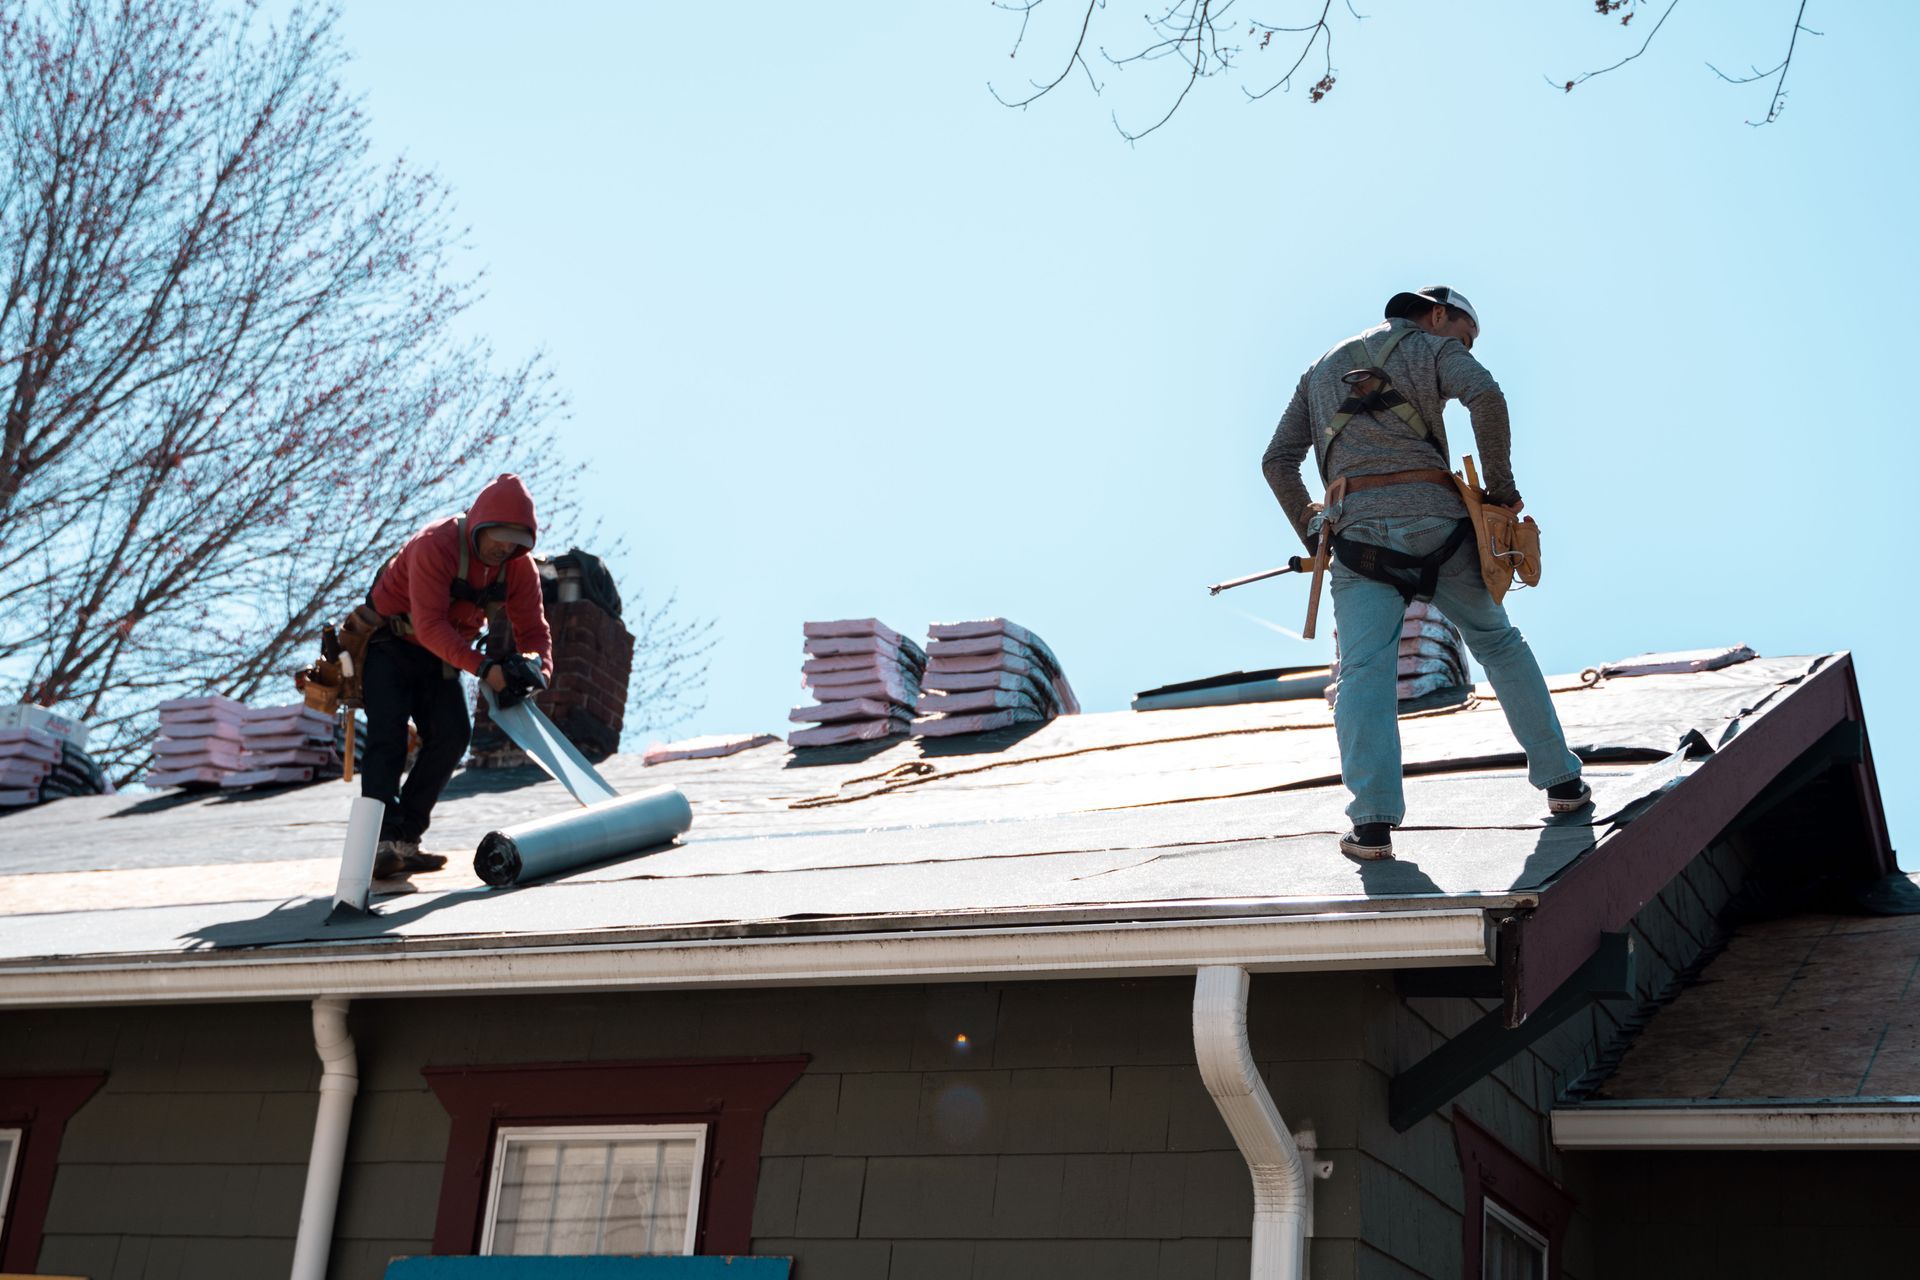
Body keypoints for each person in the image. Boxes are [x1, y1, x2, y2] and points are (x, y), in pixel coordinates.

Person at [1261, 286, 1588, 861]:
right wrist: (1501, 491)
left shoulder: (1319, 369)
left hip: (1358, 538)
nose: (1465, 346)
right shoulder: (1430, 349)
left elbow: (1276, 460)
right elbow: (1485, 396)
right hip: (1441, 526)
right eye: (1466, 335)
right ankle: (1561, 782)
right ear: (1438, 315)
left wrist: (1312, 534)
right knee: (1498, 643)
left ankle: (1371, 826)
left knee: (1363, 673)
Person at [358, 472, 553, 879]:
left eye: (514, 542)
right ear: (477, 525)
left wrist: (539, 671)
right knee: (387, 736)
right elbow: (428, 626)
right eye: (497, 537)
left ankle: (403, 842)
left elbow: (534, 631)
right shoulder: (435, 544)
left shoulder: (518, 570)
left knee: (452, 735)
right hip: (390, 644)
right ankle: (377, 844)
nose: (503, 548)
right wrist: (486, 670)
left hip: (441, 655)